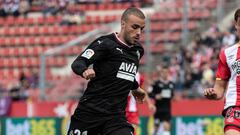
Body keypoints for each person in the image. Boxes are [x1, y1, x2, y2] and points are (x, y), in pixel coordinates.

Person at [68, 7, 147, 135]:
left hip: (115, 118)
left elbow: (121, 73)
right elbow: (78, 62)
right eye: (135, 27)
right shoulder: (105, 44)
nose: (138, 32)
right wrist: (84, 70)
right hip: (89, 114)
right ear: (123, 24)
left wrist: (135, 87)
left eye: (141, 29)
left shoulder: (138, 51)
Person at [204, 8, 240, 135]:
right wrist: (213, 93)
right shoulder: (227, 53)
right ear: (236, 25)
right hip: (235, 107)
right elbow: (219, 89)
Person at [149, 65, 174, 135]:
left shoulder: (171, 84)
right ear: (161, 73)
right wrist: (156, 96)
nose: (165, 74)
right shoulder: (156, 83)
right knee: (156, 127)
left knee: (166, 127)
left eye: (166, 72)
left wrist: (171, 96)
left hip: (167, 109)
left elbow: (172, 95)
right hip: (158, 109)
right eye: (163, 72)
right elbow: (150, 94)